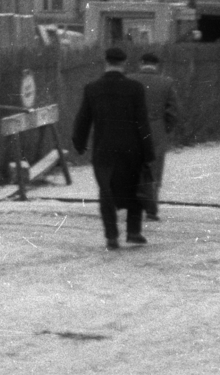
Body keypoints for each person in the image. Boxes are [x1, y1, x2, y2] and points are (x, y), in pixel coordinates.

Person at [71, 46, 155, 250]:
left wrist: (79, 144)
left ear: (106, 63)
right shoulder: (135, 88)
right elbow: (142, 122)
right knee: (133, 190)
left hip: (104, 150)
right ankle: (133, 232)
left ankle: (111, 236)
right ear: (123, 64)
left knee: (106, 192)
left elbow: (83, 120)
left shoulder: (92, 88)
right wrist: (148, 150)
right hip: (131, 150)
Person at [133, 52, 180, 221]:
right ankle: (151, 209)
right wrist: (165, 129)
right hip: (156, 131)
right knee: (154, 170)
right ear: (157, 65)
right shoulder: (166, 83)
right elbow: (172, 112)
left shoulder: (129, 80)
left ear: (141, 63)